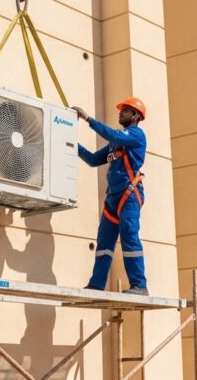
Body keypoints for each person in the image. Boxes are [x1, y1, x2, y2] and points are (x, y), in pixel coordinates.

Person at [71, 97, 149, 295]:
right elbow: (93, 159)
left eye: (125, 110)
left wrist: (88, 119)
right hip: (114, 198)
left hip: (129, 195)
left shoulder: (136, 135)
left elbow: (113, 134)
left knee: (129, 236)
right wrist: (72, 144)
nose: (120, 112)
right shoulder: (115, 145)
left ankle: (139, 285)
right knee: (104, 242)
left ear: (136, 116)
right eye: (121, 109)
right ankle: (97, 284)